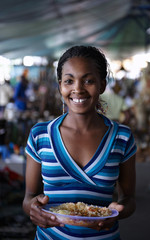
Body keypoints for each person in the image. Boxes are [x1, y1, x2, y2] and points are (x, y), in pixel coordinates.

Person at [23, 46, 137, 240]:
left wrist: (120, 210)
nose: (78, 88)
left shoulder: (122, 137)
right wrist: (32, 210)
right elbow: (29, 197)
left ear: (102, 85)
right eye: (69, 81)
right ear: (60, 86)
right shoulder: (40, 135)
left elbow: (129, 198)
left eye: (88, 80)